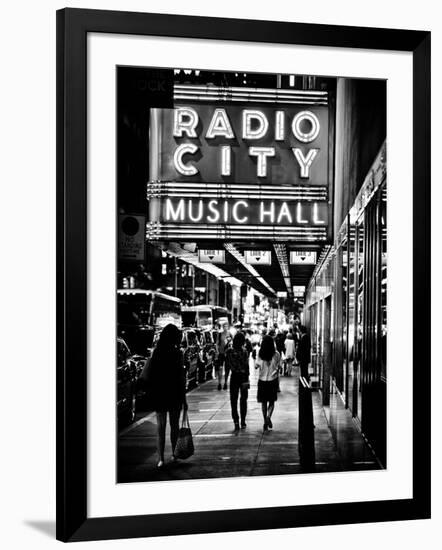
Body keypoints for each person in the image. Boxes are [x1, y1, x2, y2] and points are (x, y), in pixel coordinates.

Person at [144, 323, 188, 468]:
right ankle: (174, 455)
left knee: (160, 428)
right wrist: (184, 398)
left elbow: (152, 374)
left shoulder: (156, 352)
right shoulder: (178, 353)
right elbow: (181, 378)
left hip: (159, 393)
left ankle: (160, 459)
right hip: (174, 393)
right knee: (174, 426)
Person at [255, 335, 281, 431]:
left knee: (263, 402)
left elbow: (256, 366)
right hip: (272, 380)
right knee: (271, 401)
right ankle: (268, 417)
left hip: (262, 380)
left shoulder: (260, 353)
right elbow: (279, 366)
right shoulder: (276, 354)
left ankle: (264, 420)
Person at [225, 332, 250, 430]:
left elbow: (227, 366)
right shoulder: (244, 351)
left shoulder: (229, 351)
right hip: (243, 377)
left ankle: (236, 420)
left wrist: (225, 380)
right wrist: (247, 378)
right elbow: (247, 366)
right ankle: (243, 421)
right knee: (243, 399)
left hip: (234, 377)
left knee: (233, 400)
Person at [217, 323, 231, 390]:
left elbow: (232, 344)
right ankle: (219, 383)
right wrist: (217, 352)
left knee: (227, 369)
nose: (225, 327)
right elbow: (217, 344)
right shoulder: (220, 334)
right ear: (223, 327)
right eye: (224, 326)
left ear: (228, 327)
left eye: (226, 326)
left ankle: (225, 383)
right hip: (221, 353)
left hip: (228, 354)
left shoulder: (230, 334)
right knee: (220, 368)